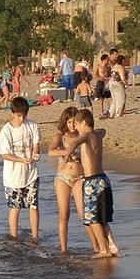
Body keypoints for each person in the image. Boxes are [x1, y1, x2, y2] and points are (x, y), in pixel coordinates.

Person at [61, 109, 119, 258]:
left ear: (84, 123)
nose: (76, 127)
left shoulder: (86, 136)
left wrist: (66, 156)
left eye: (77, 124)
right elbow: (103, 130)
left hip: (92, 181)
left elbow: (75, 143)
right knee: (103, 218)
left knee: (92, 219)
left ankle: (104, 250)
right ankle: (112, 246)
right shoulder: (98, 135)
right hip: (103, 180)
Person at [0, 96, 41, 243]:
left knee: (33, 206)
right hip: (13, 177)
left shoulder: (32, 126)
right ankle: (14, 237)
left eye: (24, 115)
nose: (22, 119)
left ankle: (35, 237)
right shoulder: (6, 130)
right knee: (15, 207)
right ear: (13, 113)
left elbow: (36, 143)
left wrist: (35, 152)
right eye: (19, 115)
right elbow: (4, 154)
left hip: (31, 174)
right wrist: (21, 160)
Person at [47, 106, 89, 254]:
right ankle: (63, 249)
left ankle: (97, 244)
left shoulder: (82, 136)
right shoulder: (60, 137)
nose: (71, 125)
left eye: (73, 122)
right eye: (69, 122)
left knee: (83, 213)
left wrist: (77, 155)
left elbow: (100, 133)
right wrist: (67, 152)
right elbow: (51, 151)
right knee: (64, 214)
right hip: (63, 177)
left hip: (79, 176)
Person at [108, 52, 128, 117]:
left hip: (111, 84)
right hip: (118, 84)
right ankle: (118, 114)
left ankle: (110, 114)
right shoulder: (120, 67)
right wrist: (126, 84)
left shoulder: (114, 67)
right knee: (121, 100)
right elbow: (123, 78)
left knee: (114, 100)